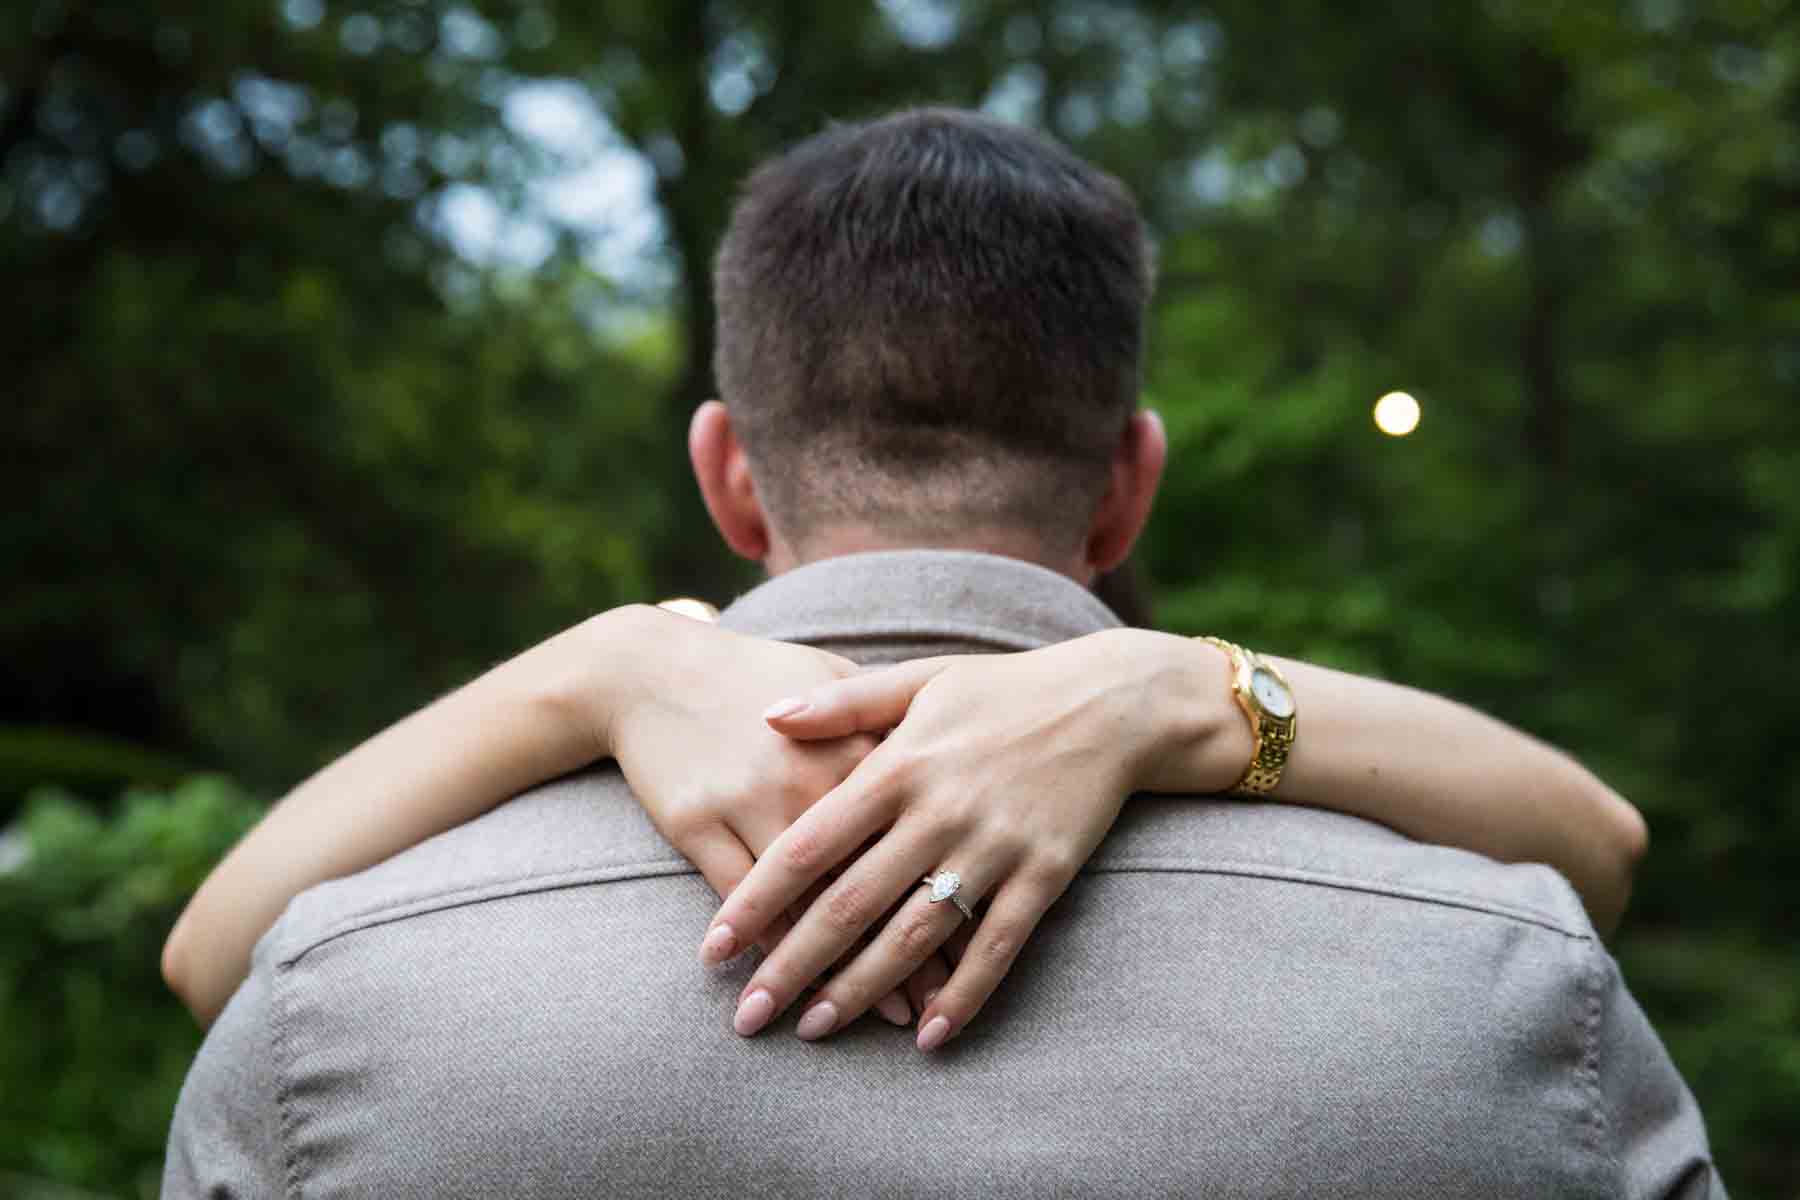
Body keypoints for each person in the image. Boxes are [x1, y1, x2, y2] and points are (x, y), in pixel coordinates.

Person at [162, 108, 1722, 1197]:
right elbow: (1601, 852)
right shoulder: (1512, 981)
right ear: (1130, 481)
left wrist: (593, 666)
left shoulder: (337, 989)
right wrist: (1193, 682)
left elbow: (209, 961)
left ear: (725, 472)